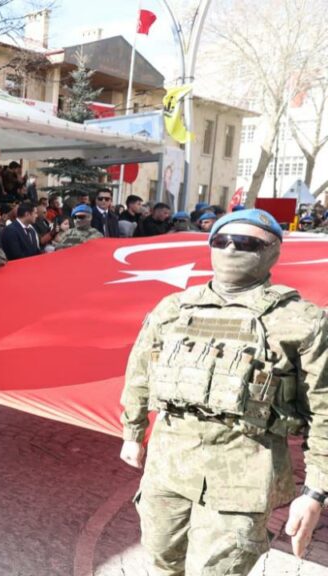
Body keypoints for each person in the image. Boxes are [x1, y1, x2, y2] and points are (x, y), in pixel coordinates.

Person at [120, 208, 328, 575]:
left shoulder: (303, 321)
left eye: (246, 243)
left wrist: (315, 492)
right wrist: (133, 432)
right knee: (161, 562)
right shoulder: (173, 308)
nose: (231, 249)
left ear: (272, 251)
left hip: (241, 479)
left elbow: (324, 410)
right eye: (221, 240)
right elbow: (139, 373)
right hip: (168, 470)